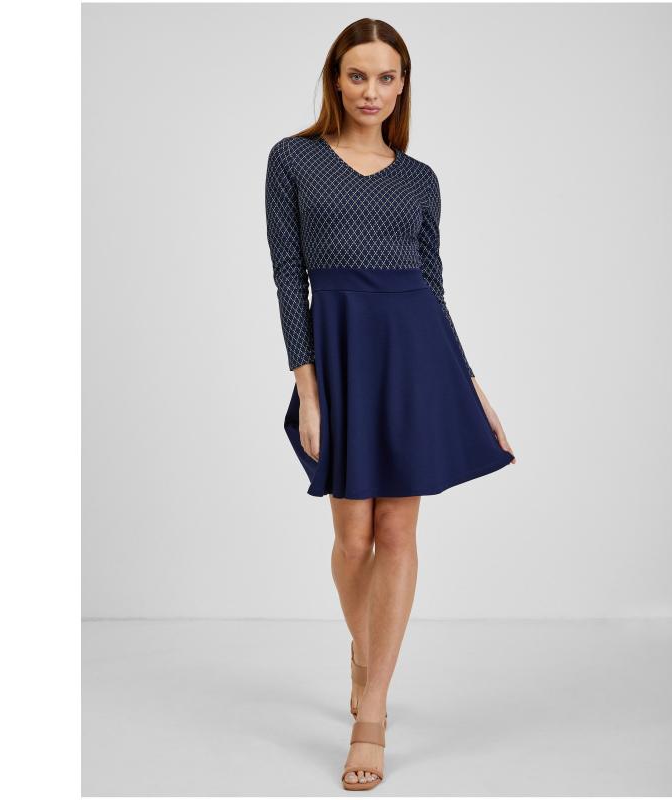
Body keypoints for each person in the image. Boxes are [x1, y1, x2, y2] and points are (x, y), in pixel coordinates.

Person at [264, 17, 516, 791]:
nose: (371, 91)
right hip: (341, 355)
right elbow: (288, 276)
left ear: (403, 86)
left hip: (415, 355)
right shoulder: (294, 160)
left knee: (398, 529)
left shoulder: (420, 178)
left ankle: (371, 711)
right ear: (335, 79)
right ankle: (367, 651)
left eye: (387, 77)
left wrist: (469, 385)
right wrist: (307, 387)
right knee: (352, 539)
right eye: (357, 75)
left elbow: (433, 286)